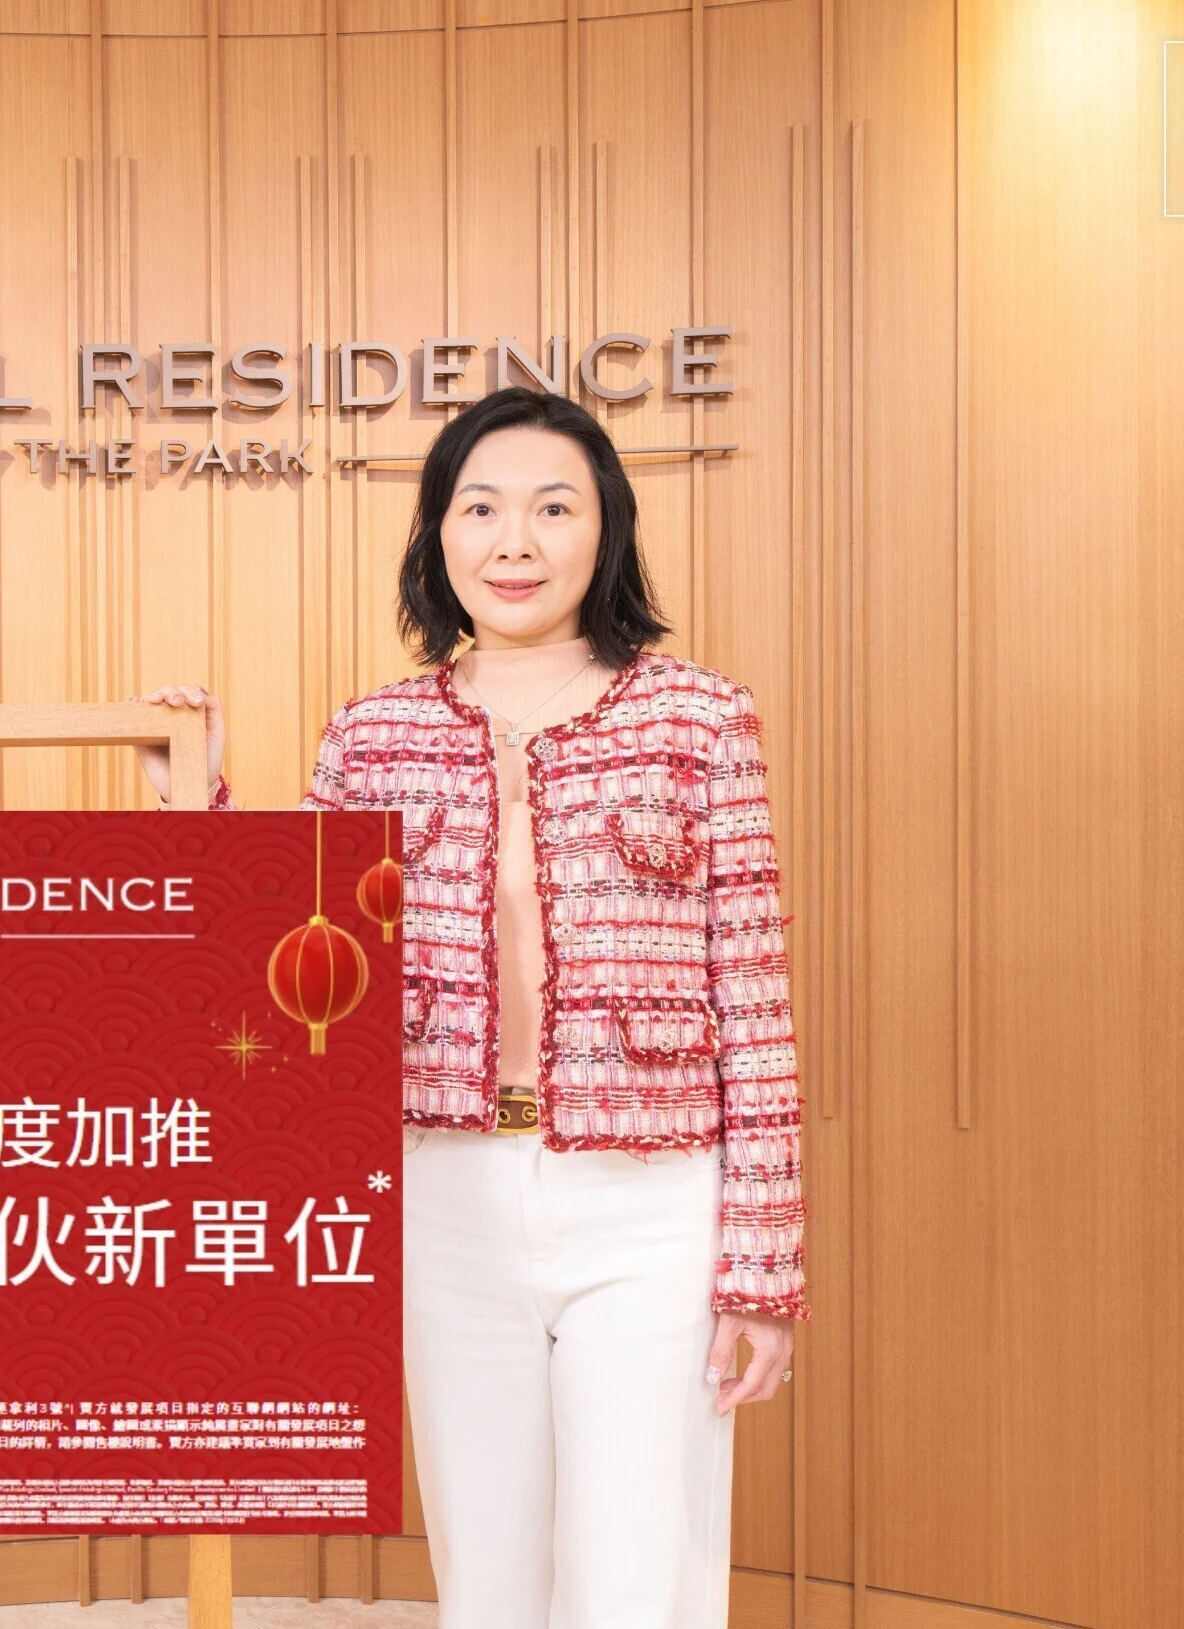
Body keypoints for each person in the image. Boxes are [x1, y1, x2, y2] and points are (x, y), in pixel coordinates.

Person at [132, 385, 805, 1629]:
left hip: (651, 1199)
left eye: (553, 508)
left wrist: (759, 1265)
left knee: (636, 1570)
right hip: (443, 1190)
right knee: (484, 1569)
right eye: (480, 508)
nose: (514, 542)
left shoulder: (698, 718)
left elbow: (751, 996)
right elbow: (299, 963)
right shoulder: (370, 734)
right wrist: (197, 800)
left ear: (603, 529)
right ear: (437, 534)